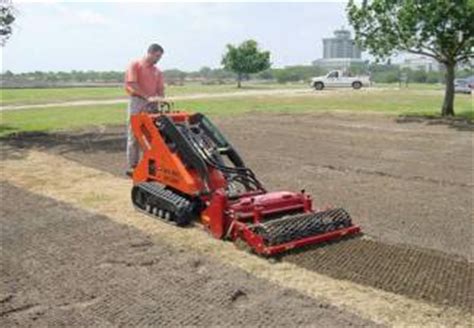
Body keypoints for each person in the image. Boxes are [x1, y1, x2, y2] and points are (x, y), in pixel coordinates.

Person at [124, 43, 165, 176]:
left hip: (152, 104)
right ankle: (133, 166)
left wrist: (160, 99)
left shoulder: (157, 71)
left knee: (152, 135)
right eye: (157, 56)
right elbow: (132, 85)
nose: (158, 59)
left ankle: (149, 165)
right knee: (135, 134)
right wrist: (147, 97)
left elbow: (160, 89)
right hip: (137, 101)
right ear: (150, 53)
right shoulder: (135, 65)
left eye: (160, 56)